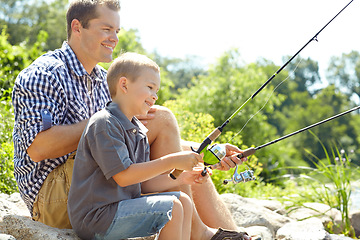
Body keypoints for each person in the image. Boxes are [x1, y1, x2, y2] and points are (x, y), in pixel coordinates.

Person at [12, 0, 248, 232]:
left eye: (116, 30)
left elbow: (134, 142)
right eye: (106, 29)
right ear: (77, 27)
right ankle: (199, 233)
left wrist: (205, 154)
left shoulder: (105, 80)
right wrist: (104, 120)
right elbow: (37, 148)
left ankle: (233, 237)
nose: (114, 38)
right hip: (54, 198)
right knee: (162, 119)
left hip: (99, 182)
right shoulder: (45, 73)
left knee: (188, 159)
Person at [67, 52, 250, 240]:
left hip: (120, 208)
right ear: (124, 85)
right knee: (173, 208)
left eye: (157, 91)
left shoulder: (137, 129)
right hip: (95, 219)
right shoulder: (104, 123)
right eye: (150, 87)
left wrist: (184, 178)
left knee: (183, 201)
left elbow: (143, 184)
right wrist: (172, 160)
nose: (155, 96)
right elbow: (124, 176)